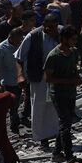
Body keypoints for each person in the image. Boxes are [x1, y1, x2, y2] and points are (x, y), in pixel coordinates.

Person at [17, 12, 60, 146]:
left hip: (57, 78)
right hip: (39, 77)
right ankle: (43, 138)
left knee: (55, 106)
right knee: (39, 106)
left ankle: (56, 134)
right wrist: (20, 75)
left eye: (52, 27)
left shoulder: (61, 34)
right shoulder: (33, 36)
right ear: (43, 25)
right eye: (47, 27)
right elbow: (19, 57)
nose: (49, 30)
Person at [44, 25, 82, 163]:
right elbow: (48, 78)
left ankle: (56, 153)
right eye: (72, 39)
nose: (74, 42)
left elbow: (74, 69)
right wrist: (70, 81)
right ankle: (69, 156)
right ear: (64, 39)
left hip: (71, 93)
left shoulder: (73, 52)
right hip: (58, 94)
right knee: (65, 124)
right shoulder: (53, 56)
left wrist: (77, 78)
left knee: (66, 123)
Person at [0, 26, 26, 135]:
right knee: (12, 105)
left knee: (17, 104)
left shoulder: (22, 43)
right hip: (8, 81)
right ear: (10, 37)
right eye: (17, 40)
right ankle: (12, 127)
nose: (19, 42)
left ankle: (18, 122)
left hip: (22, 79)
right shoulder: (1, 48)